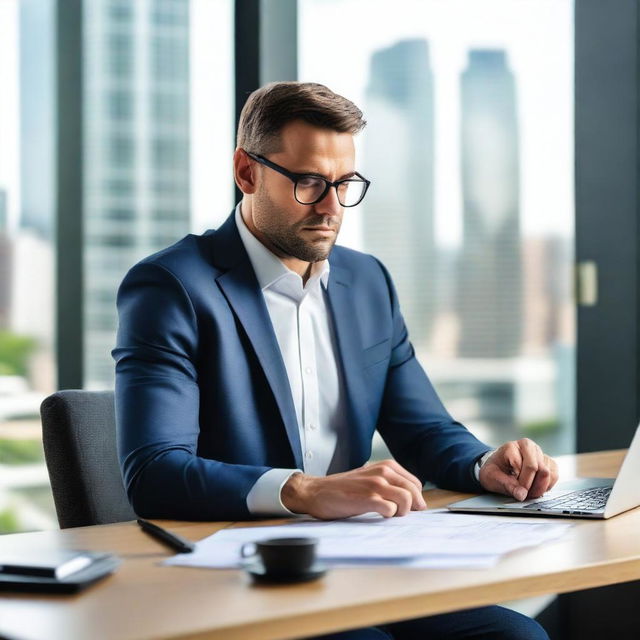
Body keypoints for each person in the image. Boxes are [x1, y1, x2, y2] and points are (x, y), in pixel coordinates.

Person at [114, 81, 556, 639]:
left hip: (363, 561)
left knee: (518, 636)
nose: (330, 207)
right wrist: (305, 490)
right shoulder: (172, 286)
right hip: (242, 573)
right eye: (308, 183)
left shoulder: (367, 281)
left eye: (345, 184)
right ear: (246, 173)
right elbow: (154, 473)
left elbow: (424, 430)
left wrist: (483, 464)